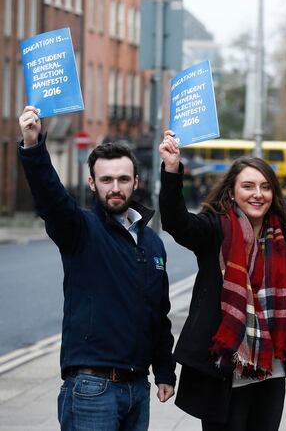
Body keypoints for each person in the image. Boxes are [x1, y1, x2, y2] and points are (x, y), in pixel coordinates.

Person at [17, 106, 176, 430]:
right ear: (92, 183)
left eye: (122, 179)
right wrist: (33, 145)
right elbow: (51, 198)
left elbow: (158, 313)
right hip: (92, 389)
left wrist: (164, 371)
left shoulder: (152, 243)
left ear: (135, 182)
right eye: (106, 179)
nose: (114, 187)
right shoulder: (80, 230)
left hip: (138, 388)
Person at [158, 131, 286, 431]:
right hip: (223, 369)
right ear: (232, 192)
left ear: (273, 193)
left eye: (264, 187)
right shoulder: (214, 231)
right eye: (247, 186)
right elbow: (176, 222)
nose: (257, 194)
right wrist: (172, 170)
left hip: (270, 370)